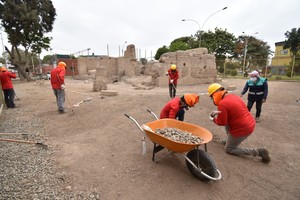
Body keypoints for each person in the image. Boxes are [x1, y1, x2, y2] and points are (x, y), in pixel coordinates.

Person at [207, 83, 270, 163]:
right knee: (228, 122)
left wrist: (212, 119)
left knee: (229, 149)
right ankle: (229, 139)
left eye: (212, 97)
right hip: (249, 123)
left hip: (243, 128)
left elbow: (221, 122)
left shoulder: (222, 103)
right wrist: (219, 113)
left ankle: (258, 151)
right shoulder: (234, 96)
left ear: (215, 94)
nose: (212, 99)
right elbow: (233, 110)